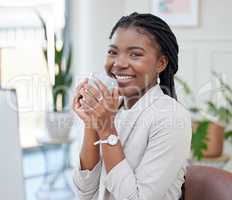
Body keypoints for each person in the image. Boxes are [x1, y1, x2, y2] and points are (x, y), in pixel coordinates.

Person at [72, 12, 192, 200]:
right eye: (113, 52)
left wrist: (106, 128)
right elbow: (85, 192)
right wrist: (91, 123)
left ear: (160, 63)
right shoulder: (112, 111)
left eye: (135, 54)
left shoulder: (171, 117)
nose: (119, 64)